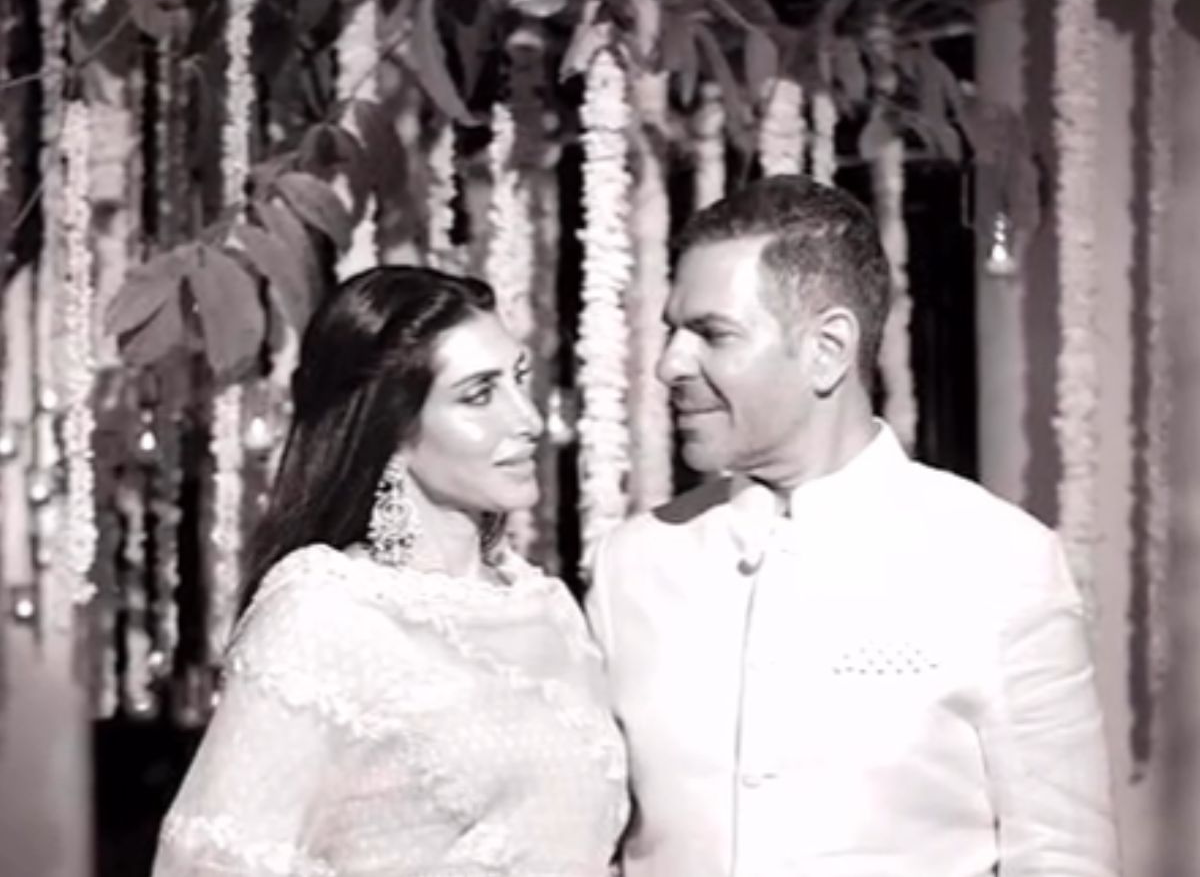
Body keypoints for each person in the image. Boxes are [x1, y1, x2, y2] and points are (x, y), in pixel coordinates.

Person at [586, 175, 1119, 876]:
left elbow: (1064, 856)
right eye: (672, 332)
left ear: (828, 349)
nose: (669, 365)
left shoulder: (1000, 558)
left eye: (712, 334)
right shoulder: (632, 563)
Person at [154, 265, 628, 876]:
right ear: (394, 429)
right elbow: (209, 858)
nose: (528, 419)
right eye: (479, 395)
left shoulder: (548, 608)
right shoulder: (325, 611)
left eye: (518, 379)